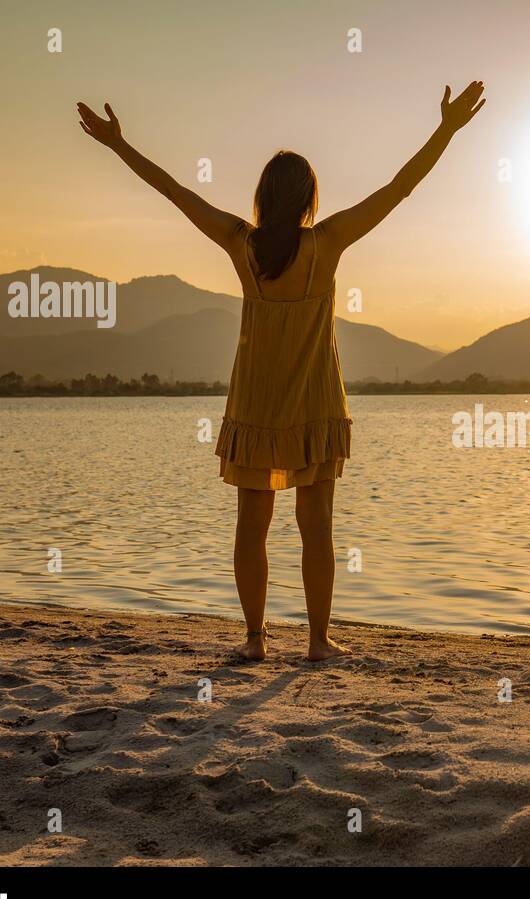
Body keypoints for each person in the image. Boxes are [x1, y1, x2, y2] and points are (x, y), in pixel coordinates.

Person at [76, 81, 486, 661]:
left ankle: (254, 640)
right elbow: (400, 188)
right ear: (308, 199)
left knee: (252, 524)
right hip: (316, 399)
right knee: (316, 524)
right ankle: (318, 641)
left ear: (263, 199)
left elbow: (173, 190)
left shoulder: (239, 243)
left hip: (257, 401)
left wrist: (120, 145)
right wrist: (445, 129)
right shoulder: (329, 241)